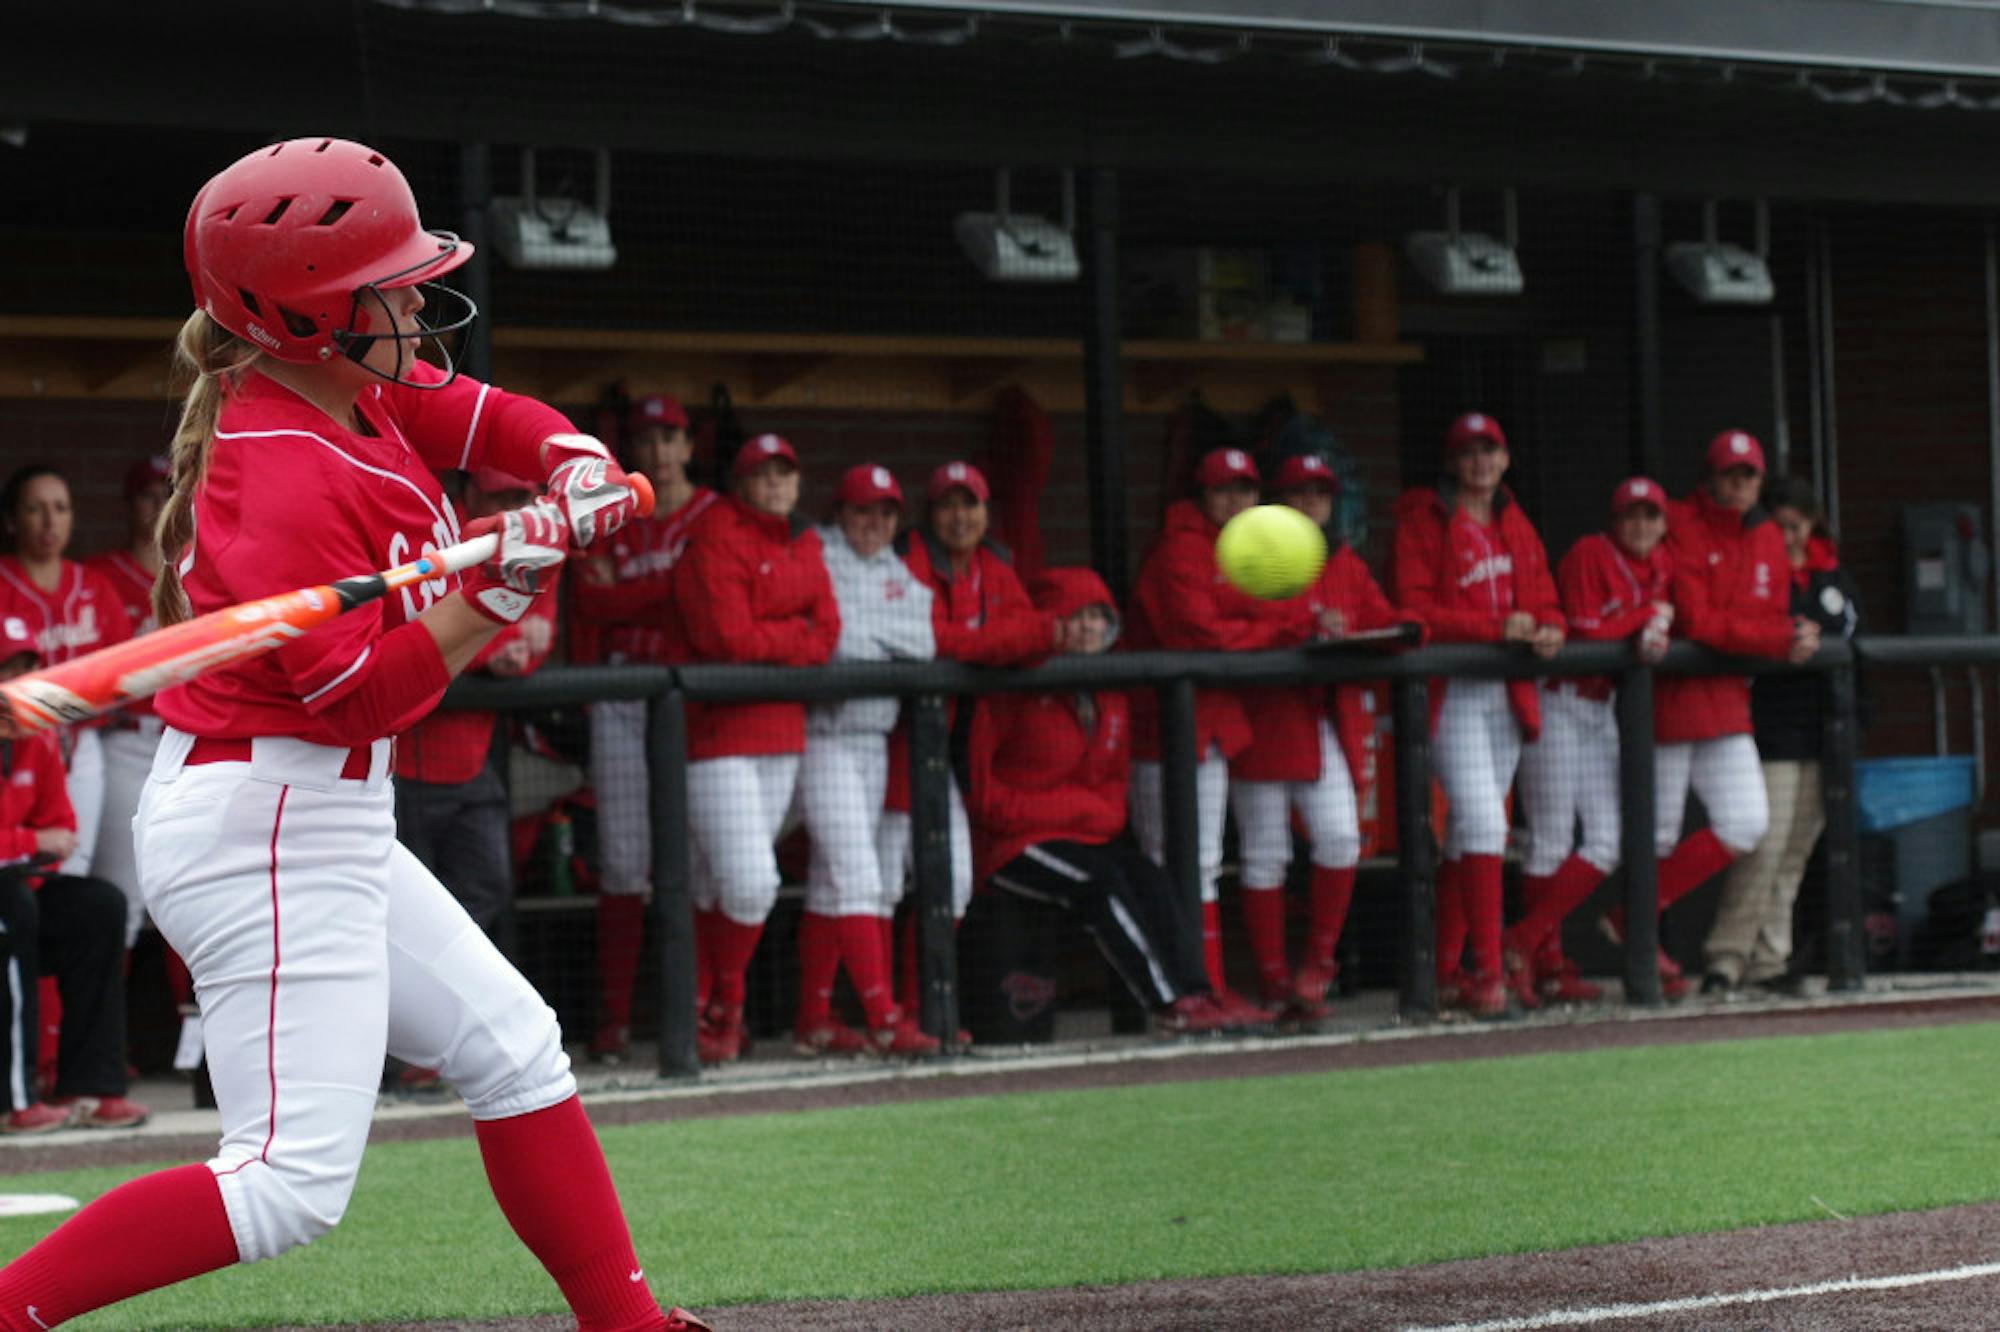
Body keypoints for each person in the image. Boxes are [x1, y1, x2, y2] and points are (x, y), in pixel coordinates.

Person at [0, 138, 710, 1332]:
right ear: (309, 314)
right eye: (389, 284)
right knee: (285, 1184)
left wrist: (570, 459)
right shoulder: (274, 476)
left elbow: (483, 412)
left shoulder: (349, 383)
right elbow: (372, 696)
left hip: (313, 808)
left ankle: (628, 1325)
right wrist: (496, 591)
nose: (417, 300)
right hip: (262, 822)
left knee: (514, 1049)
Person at [968, 567, 1237, 1036]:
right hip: (1011, 845)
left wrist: (1079, 813)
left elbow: (1113, 797)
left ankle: (1198, 991)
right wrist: (1070, 810)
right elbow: (983, 798)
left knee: (1149, 876)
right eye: (1077, 615)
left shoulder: (1113, 690)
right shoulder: (1011, 688)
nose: (1090, 626)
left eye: (1099, 616)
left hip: (1086, 836)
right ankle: (1168, 1003)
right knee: (1101, 880)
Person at [1615, 430, 1810, 1002]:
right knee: (1657, 833)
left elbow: (1764, 613)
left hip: (1727, 698)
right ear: (1711, 476)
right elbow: (1700, 622)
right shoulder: (1680, 520)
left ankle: (1634, 916)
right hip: (1672, 698)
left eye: (1749, 475)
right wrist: (1775, 639)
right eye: (1730, 474)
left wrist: (1766, 633)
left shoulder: (1769, 534)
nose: (1740, 485)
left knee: (1748, 822)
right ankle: (1641, 945)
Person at [1228, 453, 1422, 1020]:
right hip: (1263, 720)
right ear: (1278, 501)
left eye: (1320, 495)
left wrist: (1405, 629)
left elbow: (1381, 618)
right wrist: (1304, 625)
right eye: (1299, 493)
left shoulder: (1344, 562)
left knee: (1340, 838)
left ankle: (1316, 967)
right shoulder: (1252, 554)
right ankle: (1271, 982)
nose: (1311, 504)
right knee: (1266, 855)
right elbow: (1235, 627)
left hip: (1323, 721)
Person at [1127, 446, 1316, 1023]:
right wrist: (1272, 625)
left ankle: (1200, 988)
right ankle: (1189, 991)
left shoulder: (1245, 548)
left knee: (1201, 860)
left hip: (1207, 725)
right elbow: (1201, 634)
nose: (1235, 501)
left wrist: (1267, 621)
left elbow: (1287, 609)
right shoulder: (1179, 549)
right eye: (1223, 491)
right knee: (1174, 861)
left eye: (1244, 490)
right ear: (1201, 496)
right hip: (1161, 731)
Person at [1390, 413, 1564, 1018]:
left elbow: (1544, 596)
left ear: (1506, 458)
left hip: (1506, 692)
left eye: (1489, 451)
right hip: (1452, 692)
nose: (1480, 463)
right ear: (1452, 462)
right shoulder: (1424, 516)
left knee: (1472, 833)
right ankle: (1489, 974)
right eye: (1468, 453)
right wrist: (1495, 628)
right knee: (1485, 826)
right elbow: (1411, 608)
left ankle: (1444, 973)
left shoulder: (1514, 518)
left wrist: (1550, 629)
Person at [676, 433, 839, 1066]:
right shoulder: (716, 533)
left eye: (784, 474)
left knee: (724, 884)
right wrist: (792, 632)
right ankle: (727, 1004)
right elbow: (727, 637)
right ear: (741, 483)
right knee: (750, 884)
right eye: (762, 474)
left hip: (782, 732)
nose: (775, 484)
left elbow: (828, 634)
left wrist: (788, 636)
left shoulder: (806, 539)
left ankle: (711, 1014)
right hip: (718, 737)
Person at [569, 392, 719, 1063]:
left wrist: (646, 597)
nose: (659, 450)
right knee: (626, 863)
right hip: (624, 702)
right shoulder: (614, 515)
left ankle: (697, 1013)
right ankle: (616, 1020)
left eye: (671, 437)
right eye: (647, 438)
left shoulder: (716, 516)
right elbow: (592, 602)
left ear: (689, 445)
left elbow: (707, 604)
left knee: (699, 860)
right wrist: (672, 591)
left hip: (693, 707)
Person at [878, 460, 1056, 1021]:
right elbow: (920, 637)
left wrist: (967, 643)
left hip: (953, 748)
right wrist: (981, 643)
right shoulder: (907, 558)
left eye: (970, 504)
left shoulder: (995, 564)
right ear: (930, 515)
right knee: (878, 885)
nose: (960, 517)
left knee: (951, 885)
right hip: (891, 748)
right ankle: (889, 1015)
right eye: (948, 505)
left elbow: (1035, 633)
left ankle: (927, 1010)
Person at [1506, 477, 1674, 1010]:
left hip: (1598, 709)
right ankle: (1544, 967)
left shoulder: (1662, 562)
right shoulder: (1588, 553)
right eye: (1631, 516)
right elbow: (1583, 633)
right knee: (1551, 840)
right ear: (1614, 519)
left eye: (1650, 516)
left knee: (1611, 838)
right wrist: (1644, 619)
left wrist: (1653, 626)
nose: (1641, 526)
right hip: (1556, 702)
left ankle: (1522, 941)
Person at [794, 464, 938, 1057]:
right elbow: (830, 635)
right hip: (823, 735)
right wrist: (879, 640)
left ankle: (815, 1021)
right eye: (861, 511)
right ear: (840, 513)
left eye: (884, 513)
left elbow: (925, 640)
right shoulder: (818, 551)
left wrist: (864, 637)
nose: (873, 523)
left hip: (874, 737)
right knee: (859, 875)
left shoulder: (893, 566)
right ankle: (883, 1017)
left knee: (835, 884)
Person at [1702, 475, 1858, 995]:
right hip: (1769, 728)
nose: (1790, 536)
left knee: (1794, 854)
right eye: (1781, 525)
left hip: (1823, 732)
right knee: (1762, 848)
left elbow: (1850, 636)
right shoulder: (1759, 568)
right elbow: (1743, 628)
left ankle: (1770, 960)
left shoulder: (1831, 578)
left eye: (1798, 525)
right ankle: (1726, 958)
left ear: (1813, 523)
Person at [393, 466, 560, 940]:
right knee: (407, 905)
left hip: (473, 759)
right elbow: (427, 626)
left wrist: (507, 654)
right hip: (408, 764)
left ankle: (436, 995)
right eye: (498, 497)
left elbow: (538, 635)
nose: (511, 509)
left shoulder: (537, 539)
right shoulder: (441, 536)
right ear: (468, 494)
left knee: (485, 883)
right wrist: (491, 652)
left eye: (521, 496)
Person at [0, 617, 150, 1135]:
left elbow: (63, 828)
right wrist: (27, 844)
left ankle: (90, 1086)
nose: (15, 684)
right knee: (14, 907)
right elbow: (43, 839)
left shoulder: (35, 735)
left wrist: (23, 848)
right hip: (12, 895)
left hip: (21, 886)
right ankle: (15, 1100)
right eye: (5, 671)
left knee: (98, 906)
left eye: (23, 670)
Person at [0, 465, 133, 883]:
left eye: (60, 508)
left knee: (73, 867)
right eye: (35, 508)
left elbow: (125, 669)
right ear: (11, 519)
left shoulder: (92, 584)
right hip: (15, 741)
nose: (49, 520)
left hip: (82, 741)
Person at [83, 454, 172, 946]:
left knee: (185, 889)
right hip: (123, 740)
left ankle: (189, 1024)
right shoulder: (100, 574)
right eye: (148, 496)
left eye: (168, 496)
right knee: (121, 891)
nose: (158, 508)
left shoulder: (195, 574)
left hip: (180, 741)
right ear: (129, 504)